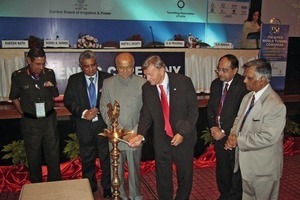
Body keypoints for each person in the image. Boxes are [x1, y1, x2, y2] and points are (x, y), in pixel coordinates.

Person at [128, 55, 199, 200]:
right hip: (161, 140)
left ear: (161, 70)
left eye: (150, 74)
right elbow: (146, 114)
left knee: (185, 175)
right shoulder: (147, 88)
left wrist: (182, 133)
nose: (147, 78)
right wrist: (140, 135)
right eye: (145, 74)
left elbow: (193, 111)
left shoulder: (183, 82)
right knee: (162, 176)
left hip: (183, 137)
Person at [225, 59, 286, 200]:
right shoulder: (248, 97)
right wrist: (233, 135)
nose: (245, 81)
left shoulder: (275, 105)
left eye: (249, 78)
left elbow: (268, 137)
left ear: (262, 79)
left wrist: (238, 141)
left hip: (263, 169)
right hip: (247, 166)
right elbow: (238, 120)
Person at [63, 50, 112, 198]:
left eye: (93, 65)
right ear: (80, 66)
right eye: (86, 66)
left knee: (106, 157)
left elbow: (113, 100)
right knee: (87, 158)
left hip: (103, 124)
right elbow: (68, 101)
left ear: (97, 64)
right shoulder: (74, 80)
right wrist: (84, 112)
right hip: (84, 125)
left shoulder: (107, 78)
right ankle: (90, 186)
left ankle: (107, 187)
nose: (91, 69)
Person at [9, 47, 62, 183]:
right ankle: (36, 189)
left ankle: (55, 186)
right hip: (31, 122)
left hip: (49, 120)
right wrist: (24, 112)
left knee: (53, 156)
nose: (41, 67)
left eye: (43, 63)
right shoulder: (18, 75)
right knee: (33, 157)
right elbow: (14, 98)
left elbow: (54, 94)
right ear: (28, 61)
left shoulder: (49, 73)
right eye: (37, 64)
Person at [100, 52, 146, 200]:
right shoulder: (108, 83)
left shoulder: (143, 83)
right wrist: (116, 131)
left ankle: (135, 196)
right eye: (121, 68)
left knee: (134, 171)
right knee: (116, 170)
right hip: (116, 137)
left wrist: (136, 132)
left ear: (133, 67)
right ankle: (119, 196)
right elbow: (104, 108)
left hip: (135, 135)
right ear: (116, 67)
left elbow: (147, 111)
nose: (125, 71)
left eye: (128, 67)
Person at [207, 54, 249, 200]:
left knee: (236, 169)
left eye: (224, 70)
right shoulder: (215, 84)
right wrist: (213, 127)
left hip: (234, 136)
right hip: (218, 134)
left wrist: (225, 131)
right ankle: (224, 194)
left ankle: (235, 196)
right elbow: (211, 108)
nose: (220, 73)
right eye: (218, 69)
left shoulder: (243, 86)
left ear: (235, 70)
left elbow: (242, 114)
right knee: (222, 168)